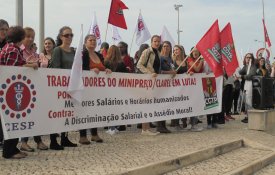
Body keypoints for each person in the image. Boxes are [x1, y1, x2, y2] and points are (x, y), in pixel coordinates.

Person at [0, 26, 38, 159]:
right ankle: (9, 151)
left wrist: (26, 63)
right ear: (20, 38)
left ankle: (12, 148)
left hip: (9, 90)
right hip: (12, 90)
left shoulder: (8, 48)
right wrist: (30, 66)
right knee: (13, 120)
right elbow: (12, 70)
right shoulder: (13, 49)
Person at [20, 27, 48, 152]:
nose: (30, 39)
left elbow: (44, 64)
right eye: (28, 36)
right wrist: (32, 64)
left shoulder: (36, 53)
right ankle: (24, 141)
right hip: (23, 86)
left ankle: (38, 140)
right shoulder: (20, 50)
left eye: (32, 36)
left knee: (36, 114)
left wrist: (41, 61)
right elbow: (19, 65)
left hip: (36, 86)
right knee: (26, 114)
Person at [79, 34, 111, 144]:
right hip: (86, 87)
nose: (93, 42)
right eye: (90, 40)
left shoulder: (99, 54)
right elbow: (81, 68)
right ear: (85, 42)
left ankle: (94, 134)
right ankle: (82, 135)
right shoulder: (83, 53)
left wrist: (106, 70)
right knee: (84, 110)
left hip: (97, 89)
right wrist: (91, 71)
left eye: (94, 40)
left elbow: (102, 67)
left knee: (95, 110)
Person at [51, 26, 78, 149]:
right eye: (67, 35)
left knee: (67, 113)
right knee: (57, 113)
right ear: (61, 37)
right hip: (59, 87)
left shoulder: (73, 51)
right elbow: (55, 68)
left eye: (71, 35)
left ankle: (64, 138)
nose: (69, 37)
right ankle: (53, 140)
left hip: (71, 86)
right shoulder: (57, 50)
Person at [136, 35, 163, 136]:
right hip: (145, 81)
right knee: (145, 104)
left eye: (158, 41)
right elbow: (139, 65)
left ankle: (147, 128)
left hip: (153, 81)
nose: (157, 43)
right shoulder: (147, 51)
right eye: (155, 41)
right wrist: (149, 73)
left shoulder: (158, 53)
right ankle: (144, 129)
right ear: (151, 42)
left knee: (149, 104)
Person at [104, 45, 128, 135]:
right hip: (119, 89)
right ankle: (116, 126)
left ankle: (111, 127)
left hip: (108, 89)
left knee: (110, 108)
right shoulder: (121, 63)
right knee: (117, 108)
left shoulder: (105, 62)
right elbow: (125, 74)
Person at [156, 41, 177, 133]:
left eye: (167, 46)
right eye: (164, 46)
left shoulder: (170, 59)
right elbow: (159, 71)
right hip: (160, 85)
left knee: (165, 105)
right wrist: (170, 73)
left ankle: (163, 125)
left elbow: (173, 69)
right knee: (160, 105)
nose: (165, 48)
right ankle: (159, 126)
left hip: (167, 86)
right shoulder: (159, 58)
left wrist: (173, 71)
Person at [235, 53, 257, 123]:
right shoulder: (246, 66)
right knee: (246, 101)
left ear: (252, 58)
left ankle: (251, 117)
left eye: (250, 57)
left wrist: (241, 77)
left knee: (249, 101)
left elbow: (250, 76)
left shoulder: (253, 66)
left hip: (251, 85)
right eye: (247, 57)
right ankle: (248, 116)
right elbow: (240, 72)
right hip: (246, 86)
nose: (248, 58)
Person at [186, 47, 204, 131]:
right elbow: (197, 69)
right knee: (191, 103)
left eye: (197, 51)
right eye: (193, 51)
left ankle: (194, 123)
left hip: (198, 85)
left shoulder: (201, 60)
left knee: (196, 103)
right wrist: (201, 60)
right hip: (191, 85)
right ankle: (190, 123)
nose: (195, 53)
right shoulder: (189, 59)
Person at [170, 45, 188, 129]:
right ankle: (176, 123)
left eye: (177, 49)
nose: (175, 51)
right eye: (174, 50)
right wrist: (173, 60)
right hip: (175, 86)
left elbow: (188, 70)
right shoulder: (172, 61)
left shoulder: (186, 61)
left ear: (181, 50)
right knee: (176, 104)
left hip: (185, 86)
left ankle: (184, 121)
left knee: (184, 103)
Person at [0, 19, 9, 148]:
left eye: (7, 30)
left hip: (5, 84)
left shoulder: (9, 45)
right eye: (2, 29)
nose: (5, 32)